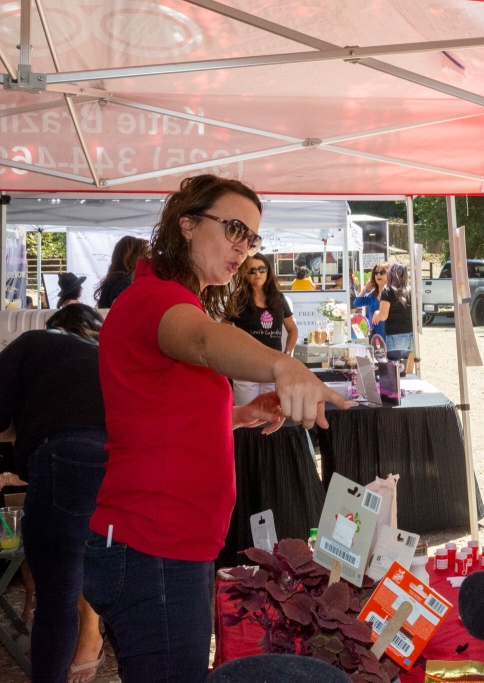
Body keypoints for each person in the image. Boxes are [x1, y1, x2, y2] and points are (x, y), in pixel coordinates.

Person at [83, 175, 350, 683]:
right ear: (186, 225)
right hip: (153, 546)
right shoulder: (154, 300)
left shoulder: (168, 299)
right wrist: (283, 365)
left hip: (169, 545)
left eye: (250, 238)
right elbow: (205, 341)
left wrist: (239, 415)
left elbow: (159, 418)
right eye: (232, 229)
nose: (242, 247)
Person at [0, 305, 109, 683]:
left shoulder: (32, 342)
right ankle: (94, 648)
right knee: (126, 589)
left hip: (65, 459)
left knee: (57, 598)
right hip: (126, 463)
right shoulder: (108, 355)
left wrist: (29, 427)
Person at [228, 255, 298, 406]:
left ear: (268, 271)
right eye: (251, 270)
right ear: (244, 275)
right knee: (247, 416)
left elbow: (292, 329)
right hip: (245, 367)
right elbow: (223, 329)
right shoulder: (237, 299)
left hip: (273, 367)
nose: (258, 274)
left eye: (262, 269)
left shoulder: (279, 298)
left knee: (270, 414)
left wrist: (287, 354)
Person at [95, 237, 150, 308]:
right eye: (146, 255)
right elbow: (120, 309)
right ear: (135, 257)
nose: (149, 260)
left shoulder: (117, 279)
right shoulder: (122, 281)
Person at [376, 262, 415, 352]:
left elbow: (383, 316)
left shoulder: (388, 291)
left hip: (395, 336)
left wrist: (376, 313)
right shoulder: (410, 290)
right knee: (407, 366)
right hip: (411, 335)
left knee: (394, 365)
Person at [354, 262, 388, 341]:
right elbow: (357, 303)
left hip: (389, 335)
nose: (378, 275)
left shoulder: (392, 294)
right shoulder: (372, 295)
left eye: (382, 272)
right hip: (375, 336)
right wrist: (365, 289)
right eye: (376, 273)